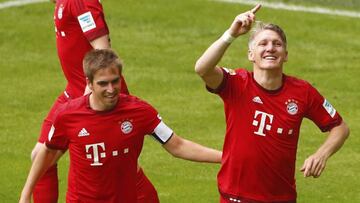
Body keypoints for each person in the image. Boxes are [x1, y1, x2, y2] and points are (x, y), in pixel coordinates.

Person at [20, 49, 222, 202]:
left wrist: (226, 157)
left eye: (115, 81)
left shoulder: (139, 111)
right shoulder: (67, 114)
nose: (111, 89)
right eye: (103, 83)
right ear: (89, 83)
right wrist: (25, 194)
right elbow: (46, 152)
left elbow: (177, 146)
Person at [194, 4, 350, 203]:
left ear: (285, 55)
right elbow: (202, 69)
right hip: (234, 197)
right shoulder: (236, 83)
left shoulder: (302, 92)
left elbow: (340, 127)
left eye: (277, 44)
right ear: (251, 55)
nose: (270, 48)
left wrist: (321, 154)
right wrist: (231, 33)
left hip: (280, 198)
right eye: (263, 43)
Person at [31, 0, 159, 202]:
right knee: (41, 156)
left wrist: (86, 105)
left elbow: (103, 52)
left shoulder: (80, 1)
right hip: (74, 92)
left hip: (98, 94)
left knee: (123, 169)